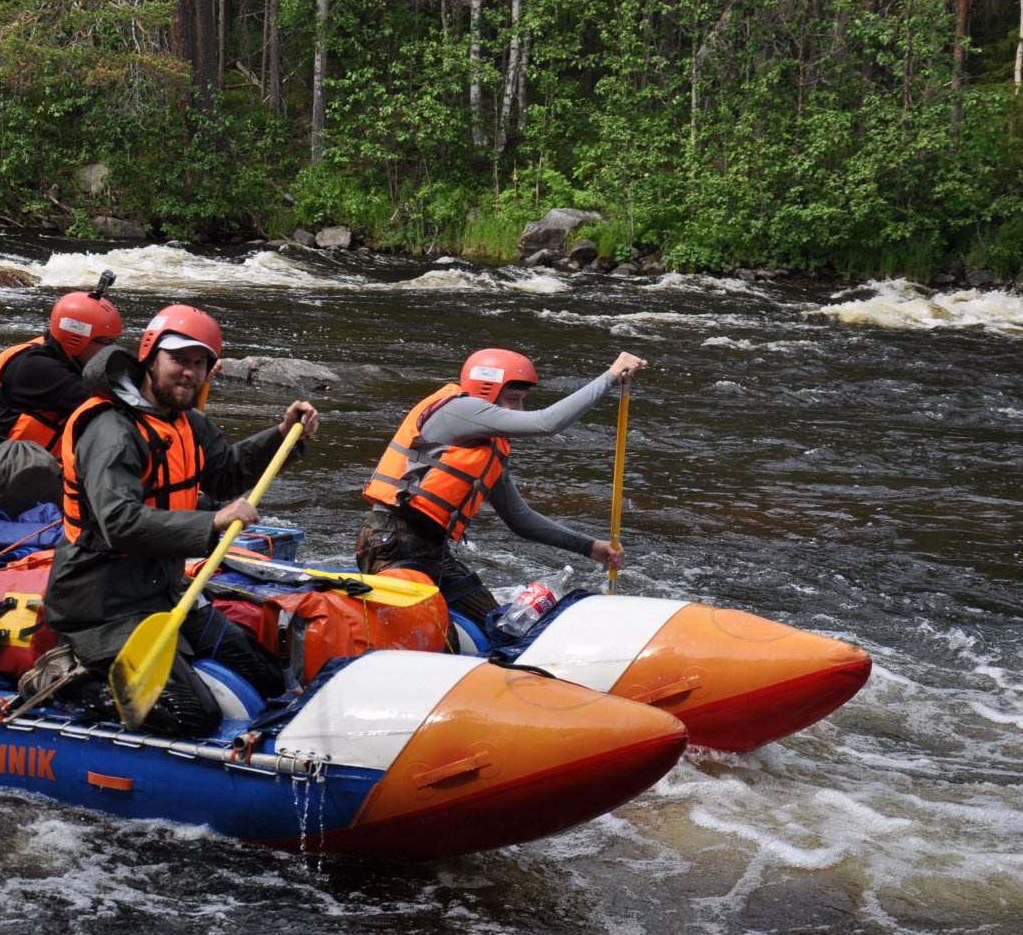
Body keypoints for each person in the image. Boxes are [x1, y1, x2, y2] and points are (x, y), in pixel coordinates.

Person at [43, 304, 318, 738]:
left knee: (267, 676)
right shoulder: (112, 430)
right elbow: (120, 522)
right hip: (102, 606)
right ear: (149, 357)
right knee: (192, 715)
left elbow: (225, 474)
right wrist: (212, 522)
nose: (190, 373)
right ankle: (71, 679)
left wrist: (282, 436)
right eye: (179, 360)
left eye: (200, 363)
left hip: (165, 592)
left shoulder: (187, 422)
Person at [357, 348, 646, 624]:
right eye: (513, 399)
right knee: (434, 633)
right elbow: (547, 423)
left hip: (432, 549)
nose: (520, 409)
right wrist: (611, 376)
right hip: (391, 542)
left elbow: (519, 518)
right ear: (486, 391)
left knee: (499, 629)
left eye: (522, 400)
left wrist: (589, 547)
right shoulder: (461, 408)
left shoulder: (487, 445)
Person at [0, 274, 122, 451]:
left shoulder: (66, 354)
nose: (112, 349)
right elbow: (114, 403)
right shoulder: (35, 368)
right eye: (106, 343)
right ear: (76, 341)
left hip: (31, 460)